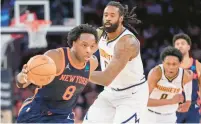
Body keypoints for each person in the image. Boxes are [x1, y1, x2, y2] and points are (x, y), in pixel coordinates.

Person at [16, 24, 99, 123]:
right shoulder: (56, 57)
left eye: (92, 46)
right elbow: (23, 83)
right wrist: (21, 78)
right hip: (37, 113)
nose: (88, 50)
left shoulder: (92, 63)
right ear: (74, 43)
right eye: (84, 45)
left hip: (63, 116)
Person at [83, 1, 148, 123]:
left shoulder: (127, 42)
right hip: (110, 92)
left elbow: (106, 78)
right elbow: (83, 51)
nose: (108, 18)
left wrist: (81, 71)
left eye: (112, 15)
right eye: (105, 15)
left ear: (121, 18)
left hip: (131, 95)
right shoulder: (100, 33)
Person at [141, 46, 193, 123]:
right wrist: (171, 101)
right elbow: (144, 101)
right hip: (149, 115)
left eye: (174, 64)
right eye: (168, 64)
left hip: (170, 117)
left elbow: (189, 80)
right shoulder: (156, 73)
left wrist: (188, 101)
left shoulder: (185, 75)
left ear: (180, 64)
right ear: (162, 62)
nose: (170, 67)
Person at [173, 33, 201, 123]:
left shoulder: (196, 64)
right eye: (177, 44)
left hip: (193, 108)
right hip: (175, 108)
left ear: (189, 47)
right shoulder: (170, 66)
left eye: (182, 43)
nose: (180, 46)